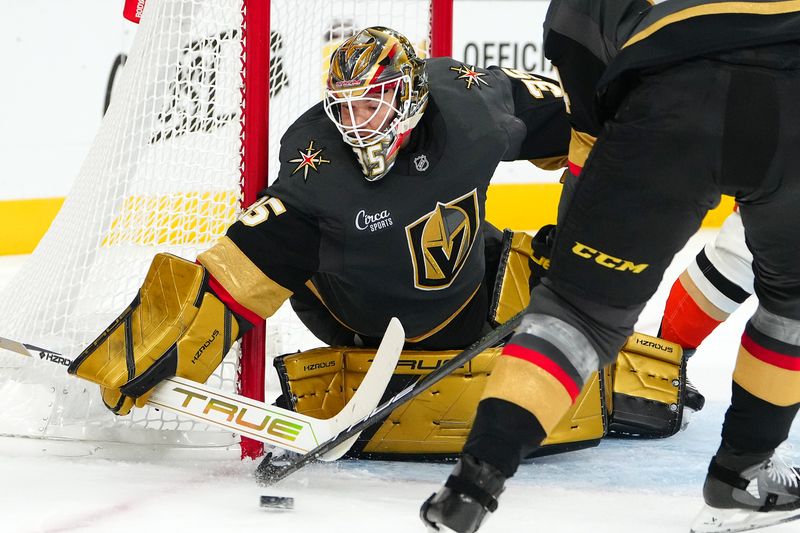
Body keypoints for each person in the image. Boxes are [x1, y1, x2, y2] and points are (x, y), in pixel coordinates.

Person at [420, 2, 800, 532]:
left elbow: (590, 112)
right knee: (793, 310)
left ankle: (472, 485)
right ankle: (742, 474)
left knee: (577, 313)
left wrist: (581, 248)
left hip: (673, 102)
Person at [64, 26, 571, 414]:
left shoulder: (470, 105)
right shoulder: (317, 167)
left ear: (411, 94)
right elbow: (239, 267)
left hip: (463, 299)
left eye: (371, 105)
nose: (356, 125)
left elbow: (569, 121)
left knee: (547, 264)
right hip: (361, 321)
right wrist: (162, 344)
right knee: (294, 254)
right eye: (344, 108)